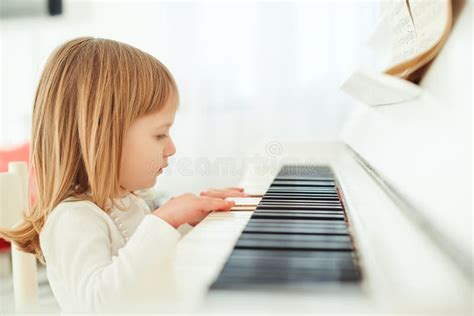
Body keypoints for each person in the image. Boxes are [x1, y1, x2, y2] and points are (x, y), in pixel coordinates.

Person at [0, 37, 248, 311]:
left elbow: (148, 268)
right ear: (105, 136)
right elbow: (98, 305)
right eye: (159, 134)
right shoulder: (73, 219)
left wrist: (199, 221)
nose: (171, 147)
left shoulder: (127, 202)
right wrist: (164, 221)